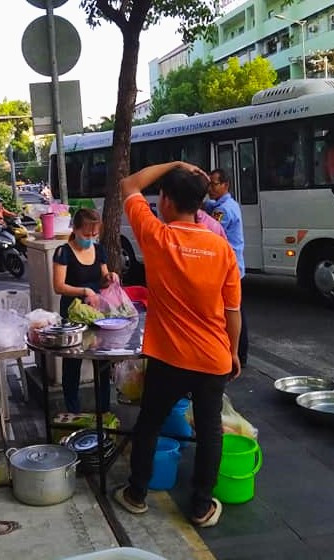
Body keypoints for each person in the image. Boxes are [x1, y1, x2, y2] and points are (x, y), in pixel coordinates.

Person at [114, 161, 241, 529]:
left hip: (168, 358)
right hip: (213, 358)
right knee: (210, 431)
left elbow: (128, 184)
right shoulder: (221, 249)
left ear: (166, 201)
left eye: (161, 198)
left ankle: (136, 494)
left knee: (150, 423)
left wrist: (173, 164)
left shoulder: (157, 236)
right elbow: (232, 311)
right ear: (199, 203)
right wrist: (233, 352)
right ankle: (201, 507)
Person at [52, 208, 117, 413]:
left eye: (93, 235)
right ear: (75, 229)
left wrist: (110, 277)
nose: (90, 239)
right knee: (73, 362)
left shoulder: (99, 250)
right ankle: (73, 410)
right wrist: (83, 290)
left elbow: (103, 278)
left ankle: (104, 410)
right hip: (72, 314)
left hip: (95, 312)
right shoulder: (63, 252)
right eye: (86, 235)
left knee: (102, 361)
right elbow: (58, 286)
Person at [205, 169, 248, 367]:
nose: (210, 188)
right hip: (232, 265)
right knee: (235, 309)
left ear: (225, 185)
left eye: (214, 184)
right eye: (209, 184)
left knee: (233, 311)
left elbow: (211, 231)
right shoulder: (223, 204)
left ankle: (239, 354)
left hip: (229, 267)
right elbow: (207, 205)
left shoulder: (223, 211)